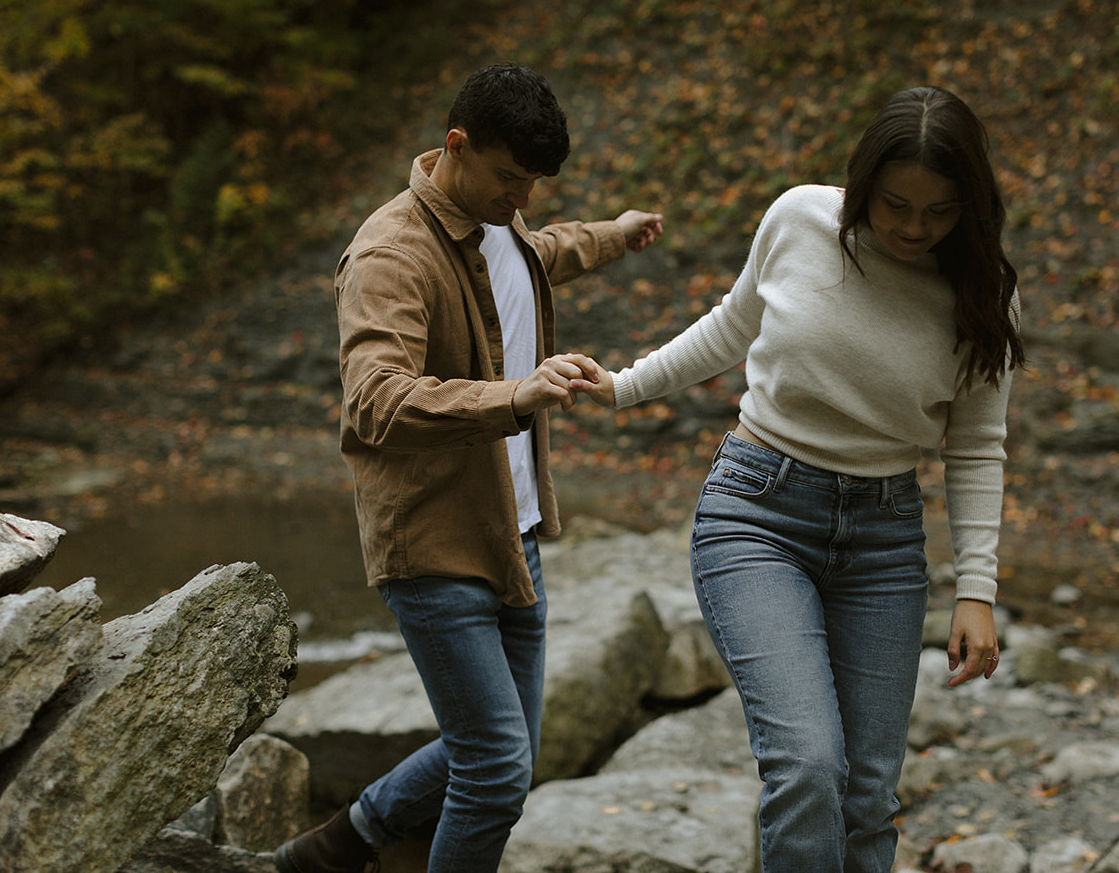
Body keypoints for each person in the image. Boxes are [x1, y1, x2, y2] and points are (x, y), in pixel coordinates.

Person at [571, 85, 1024, 873]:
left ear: (970, 206)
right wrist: (623, 384)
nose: (915, 227)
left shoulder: (984, 290)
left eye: (940, 211)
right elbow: (731, 323)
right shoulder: (799, 219)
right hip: (758, 512)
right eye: (895, 204)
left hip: (884, 540)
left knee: (868, 794)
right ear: (862, 183)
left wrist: (976, 590)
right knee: (809, 765)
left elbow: (978, 444)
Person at [275, 62, 664, 873]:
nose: (522, 198)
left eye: (533, 184)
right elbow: (373, 402)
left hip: (511, 529)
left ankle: (335, 847)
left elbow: (537, 255)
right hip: (433, 541)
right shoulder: (389, 254)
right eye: (510, 178)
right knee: (495, 768)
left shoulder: (499, 222)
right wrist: (514, 392)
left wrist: (614, 234)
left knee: (496, 748)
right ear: (456, 145)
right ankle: (344, 845)